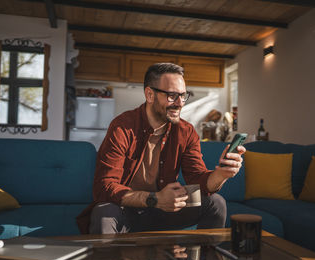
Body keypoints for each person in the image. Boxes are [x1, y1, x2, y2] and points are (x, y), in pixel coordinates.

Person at [76, 63, 246, 234]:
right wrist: (155, 199)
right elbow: (105, 187)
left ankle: (205, 259)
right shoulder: (122, 126)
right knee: (103, 211)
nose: (180, 103)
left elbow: (198, 179)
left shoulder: (186, 131)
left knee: (216, 203)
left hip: (166, 208)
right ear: (150, 95)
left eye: (183, 95)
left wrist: (221, 174)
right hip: (127, 207)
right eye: (172, 96)